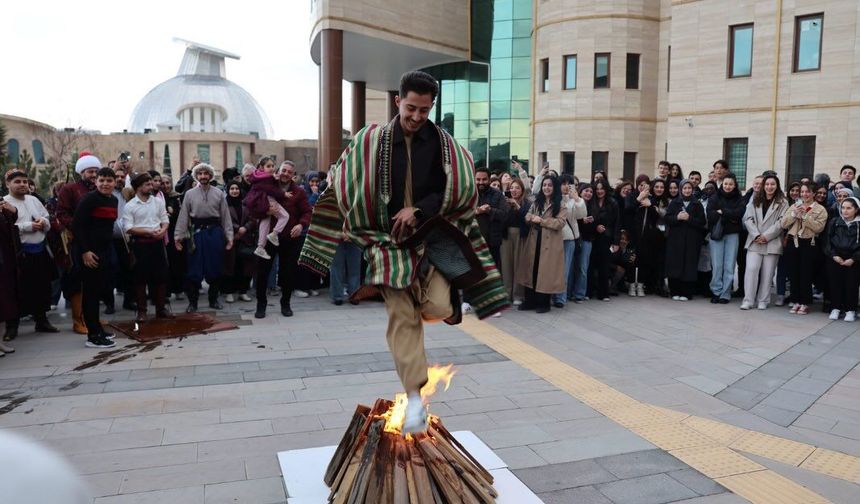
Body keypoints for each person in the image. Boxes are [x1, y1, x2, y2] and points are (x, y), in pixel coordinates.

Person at [299, 70, 507, 433]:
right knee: (403, 316)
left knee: (437, 307)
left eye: (424, 111)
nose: (416, 117)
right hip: (385, 242)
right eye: (411, 108)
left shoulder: (444, 145)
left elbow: (458, 190)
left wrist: (419, 210)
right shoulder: (371, 140)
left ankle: (435, 300)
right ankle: (414, 398)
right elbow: (345, 178)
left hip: (432, 237)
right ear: (398, 101)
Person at [3, 170, 59, 342]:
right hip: (19, 254)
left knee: (42, 287)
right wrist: (28, 226)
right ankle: (12, 327)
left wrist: (44, 223)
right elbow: (6, 228)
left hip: (39, 250)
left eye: (25, 181)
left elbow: (46, 217)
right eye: (17, 181)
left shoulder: (33, 199)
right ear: (8, 184)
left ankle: (41, 321)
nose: (22, 184)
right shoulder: (4, 203)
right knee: (18, 290)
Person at [254, 160, 312, 318]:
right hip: (268, 238)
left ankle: (285, 303)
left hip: (289, 239)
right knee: (262, 272)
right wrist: (265, 212)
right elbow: (253, 206)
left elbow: (307, 212)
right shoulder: (267, 186)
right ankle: (261, 304)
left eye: (289, 172)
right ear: (279, 171)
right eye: (283, 170)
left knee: (288, 273)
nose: (285, 174)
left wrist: (301, 225)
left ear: (293, 175)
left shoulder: (299, 192)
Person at [174, 163, 234, 312]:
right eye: (200, 174)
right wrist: (178, 237)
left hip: (214, 234)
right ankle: (192, 303)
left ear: (210, 175)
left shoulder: (219, 193)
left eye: (206, 173)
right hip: (196, 234)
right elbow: (183, 217)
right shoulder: (189, 194)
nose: (203, 176)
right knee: (194, 269)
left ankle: (213, 300)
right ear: (196, 176)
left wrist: (229, 237)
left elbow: (226, 217)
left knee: (215, 267)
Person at [72, 168, 118, 348]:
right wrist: (85, 251)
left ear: (114, 182)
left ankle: (97, 327)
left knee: (99, 291)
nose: (105, 184)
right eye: (102, 180)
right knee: (90, 293)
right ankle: (92, 336)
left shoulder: (113, 200)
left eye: (109, 180)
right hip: (89, 253)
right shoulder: (89, 199)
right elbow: (77, 226)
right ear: (96, 182)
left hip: (105, 251)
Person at [56, 152, 101, 334]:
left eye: (96, 171)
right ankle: (78, 320)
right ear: (81, 172)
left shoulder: (99, 190)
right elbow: (61, 213)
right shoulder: (69, 189)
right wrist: (78, 226)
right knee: (78, 282)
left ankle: (92, 318)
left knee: (95, 281)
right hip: (77, 242)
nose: (93, 175)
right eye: (90, 171)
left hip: (97, 241)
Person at [122, 173, 172, 321]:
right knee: (140, 279)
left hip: (157, 244)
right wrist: (148, 232)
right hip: (140, 245)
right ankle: (142, 311)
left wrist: (162, 231)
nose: (152, 186)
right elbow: (128, 228)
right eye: (147, 184)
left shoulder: (157, 202)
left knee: (161, 277)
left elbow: (165, 220)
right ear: (138, 187)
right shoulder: (130, 206)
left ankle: (161, 309)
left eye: (151, 183)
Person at [516, 175, 567, 313]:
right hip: (534, 240)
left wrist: (542, 221)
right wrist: (532, 218)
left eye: (549, 185)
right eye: (544, 185)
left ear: (554, 187)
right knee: (531, 269)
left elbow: (560, 223)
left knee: (545, 273)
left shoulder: (560, 205)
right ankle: (530, 301)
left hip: (549, 244)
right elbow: (527, 216)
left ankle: (544, 303)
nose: (546, 188)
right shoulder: (536, 202)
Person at [741, 174, 788, 310]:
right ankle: (748, 300)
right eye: (767, 184)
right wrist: (756, 235)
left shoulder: (783, 202)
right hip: (755, 241)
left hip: (772, 242)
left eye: (772, 184)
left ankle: (763, 300)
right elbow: (748, 219)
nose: (769, 187)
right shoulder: (755, 199)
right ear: (763, 186)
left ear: (777, 185)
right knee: (751, 269)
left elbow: (782, 222)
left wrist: (766, 236)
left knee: (768, 273)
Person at [781, 181, 827, 315]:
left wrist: (805, 216)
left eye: (807, 192)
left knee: (806, 274)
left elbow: (819, 227)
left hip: (809, 244)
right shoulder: (794, 205)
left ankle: (805, 302)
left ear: (813, 193)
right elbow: (783, 224)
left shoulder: (820, 209)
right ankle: (795, 301)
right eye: (802, 192)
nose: (804, 194)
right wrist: (794, 214)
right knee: (793, 273)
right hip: (793, 242)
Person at [665, 179, 706, 300]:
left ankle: (687, 293)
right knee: (675, 265)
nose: (687, 190)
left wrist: (689, 218)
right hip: (675, 241)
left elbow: (702, 222)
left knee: (689, 266)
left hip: (692, 241)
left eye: (689, 188)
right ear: (681, 189)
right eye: (684, 188)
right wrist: (677, 217)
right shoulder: (674, 203)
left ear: (692, 190)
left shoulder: (697, 204)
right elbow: (667, 219)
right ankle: (675, 291)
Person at [706, 173, 744, 304]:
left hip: (732, 235)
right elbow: (710, 215)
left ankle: (726, 293)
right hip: (717, 235)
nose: (728, 186)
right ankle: (716, 291)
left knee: (729, 265)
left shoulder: (739, 198)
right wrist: (729, 215)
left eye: (731, 184)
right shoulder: (715, 197)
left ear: (735, 185)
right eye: (726, 184)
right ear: (722, 184)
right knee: (717, 265)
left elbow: (739, 214)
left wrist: (723, 212)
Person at [244, 157, 290, 260]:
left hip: (261, 201)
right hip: (268, 200)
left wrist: (274, 178)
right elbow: (271, 189)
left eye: (273, 166)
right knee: (285, 216)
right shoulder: (266, 178)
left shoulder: (258, 176)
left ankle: (260, 247)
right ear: (261, 167)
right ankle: (275, 233)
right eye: (268, 166)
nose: (271, 168)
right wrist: (284, 193)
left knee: (265, 222)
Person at [824, 197, 860, 321]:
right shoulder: (835, 222)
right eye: (843, 207)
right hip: (836, 258)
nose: (845, 211)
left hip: (854, 259)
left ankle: (851, 310)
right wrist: (834, 255)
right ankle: (835, 308)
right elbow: (827, 241)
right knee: (835, 283)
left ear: (856, 209)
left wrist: (854, 259)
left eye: (849, 208)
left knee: (851, 284)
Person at [553, 174, 586, 307]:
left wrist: (577, 198)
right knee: (553, 269)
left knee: (564, 270)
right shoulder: (553, 199)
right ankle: (551, 295)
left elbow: (581, 214)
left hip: (569, 240)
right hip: (554, 238)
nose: (566, 186)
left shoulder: (574, 200)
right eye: (563, 183)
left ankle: (561, 298)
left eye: (569, 183)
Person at [221, 181, 255, 304]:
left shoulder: (245, 204)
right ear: (228, 190)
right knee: (230, 267)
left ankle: (243, 292)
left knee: (245, 267)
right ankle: (229, 293)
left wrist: (245, 228)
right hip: (231, 239)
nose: (235, 191)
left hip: (246, 240)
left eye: (237, 188)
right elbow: (223, 220)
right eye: (232, 189)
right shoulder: (224, 205)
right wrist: (237, 229)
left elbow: (253, 218)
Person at [588, 180, 620, 301]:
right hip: (592, 237)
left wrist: (616, 242)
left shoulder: (613, 203)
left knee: (604, 266)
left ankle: (603, 293)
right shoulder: (591, 202)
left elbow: (617, 223)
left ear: (606, 189)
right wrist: (596, 226)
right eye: (597, 189)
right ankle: (589, 292)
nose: (599, 191)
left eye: (602, 188)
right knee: (590, 265)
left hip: (606, 238)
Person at [500, 178, 530, 305]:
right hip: (506, 235)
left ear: (522, 190)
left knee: (519, 265)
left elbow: (527, 219)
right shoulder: (504, 202)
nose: (514, 190)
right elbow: (501, 218)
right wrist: (507, 205)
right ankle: (507, 294)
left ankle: (518, 295)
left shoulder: (526, 203)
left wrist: (517, 207)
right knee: (506, 265)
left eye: (517, 188)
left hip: (520, 235)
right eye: (512, 187)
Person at [474, 167, 509, 272]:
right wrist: (477, 211)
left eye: (484, 179)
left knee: (492, 273)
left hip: (492, 242)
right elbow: (462, 213)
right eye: (478, 179)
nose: (481, 182)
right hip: (474, 241)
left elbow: (505, 215)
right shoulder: (470, 194)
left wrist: (490, 210)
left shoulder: (497, 194)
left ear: (489, 180)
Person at [0, 197, 20, 355]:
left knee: (3, 303)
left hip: (5, 260)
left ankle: (0, 342)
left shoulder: (3, 206)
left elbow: (9, 227)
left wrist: (13, 212)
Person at [573, 183, 595, 302]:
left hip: (586, 240)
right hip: (573, 239)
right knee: (571, 267)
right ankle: (569, 293)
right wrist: (582, 220)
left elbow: (594, 227)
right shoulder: (574, 203)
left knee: (582, 268)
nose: (588, 193)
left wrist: (589, 222)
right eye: (586, 191)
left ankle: (580, 294)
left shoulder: (593, 206)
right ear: (580, 192)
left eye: (591, 192)